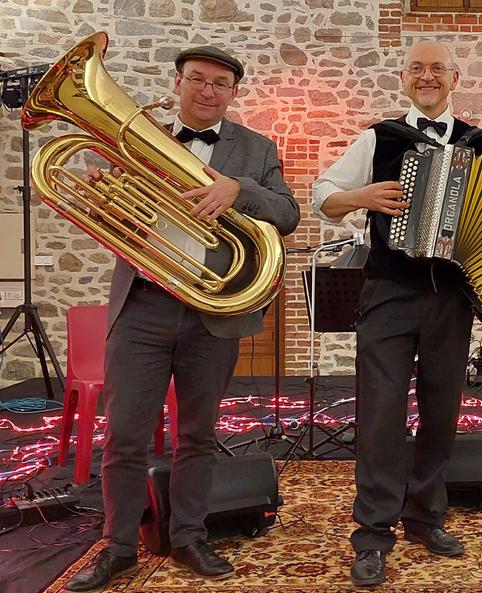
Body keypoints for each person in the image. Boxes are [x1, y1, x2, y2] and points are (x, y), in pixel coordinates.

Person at [312, 40, 482, 587]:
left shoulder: (480, 142)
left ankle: (425, 516)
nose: (426, 76)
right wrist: (362, 197)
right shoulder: (379, 137)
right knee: (380, 416)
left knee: (442, 411)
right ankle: (372, 534)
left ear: (454, 78)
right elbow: (324, 193)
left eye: (436, 68)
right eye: (416, 68)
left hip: (451, 300)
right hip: (389, 293)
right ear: (403, 77)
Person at [66, 46, 299, 592]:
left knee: (198, 434)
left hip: (213, 311)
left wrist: (239, 191)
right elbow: (107, 211)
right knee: (125, 436)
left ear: (234, 93)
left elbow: (287, 213)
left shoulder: (256, 149)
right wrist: (104, 199)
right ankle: (119, 546)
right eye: (197, 79)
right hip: (144, 306)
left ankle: (190, 535)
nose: (208, 90)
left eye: (221, 83)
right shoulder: (137, 135)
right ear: (178, 83)